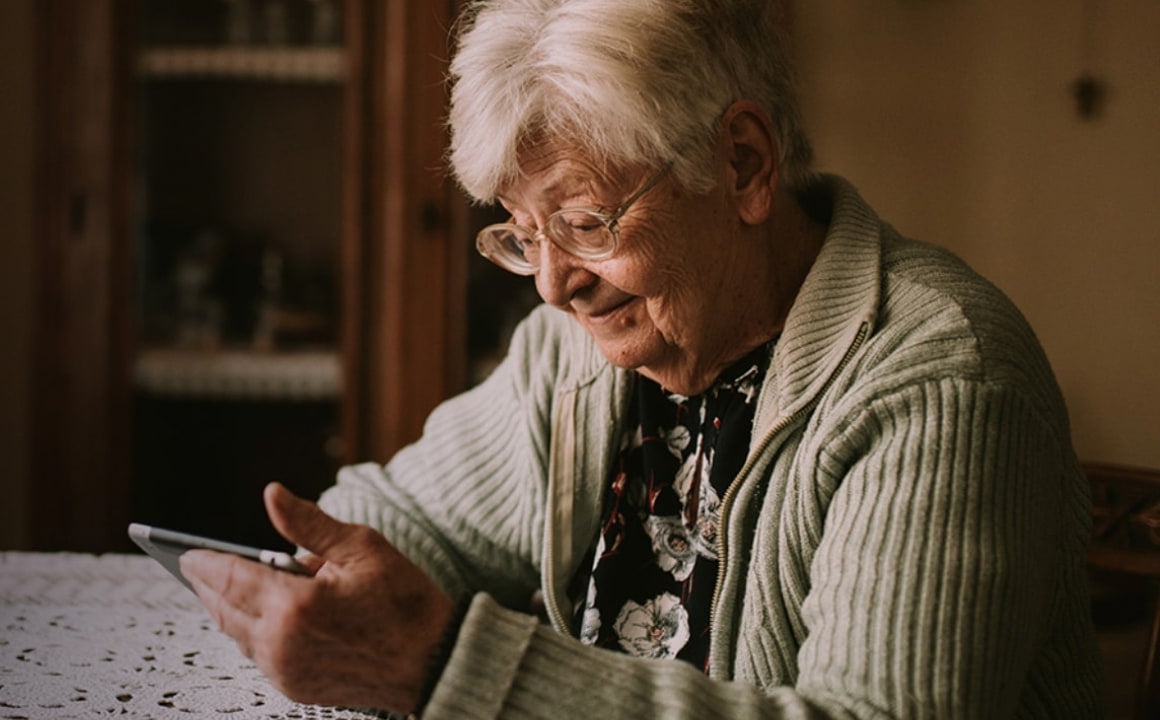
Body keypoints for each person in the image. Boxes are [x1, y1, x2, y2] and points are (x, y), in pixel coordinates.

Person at [180, 0, 1105, 717]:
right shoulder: (578, 354)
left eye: (585, 224)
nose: (550, 285)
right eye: (520, 233)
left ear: (743, 165)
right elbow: (400, 518)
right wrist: (332, 582)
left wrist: (439, 667)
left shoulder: (939, 381)